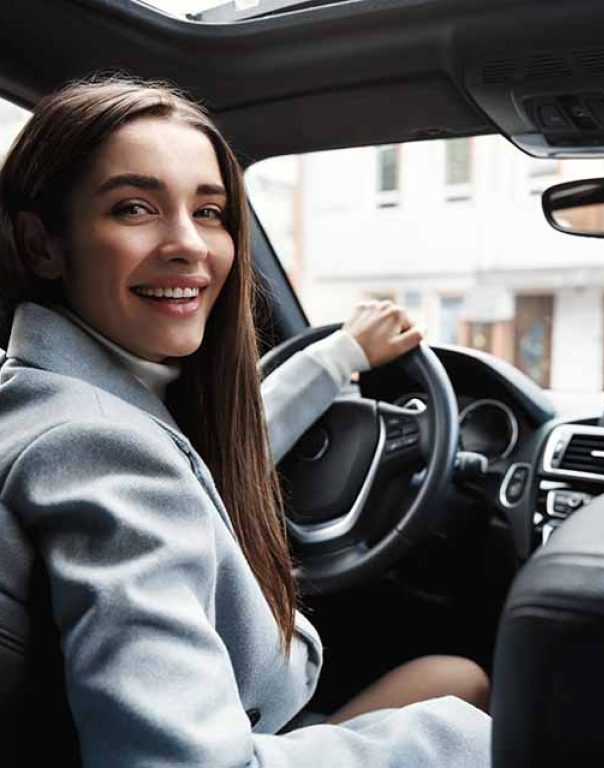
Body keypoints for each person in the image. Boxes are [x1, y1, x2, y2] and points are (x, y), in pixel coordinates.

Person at [0, 75, 491, 766]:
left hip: (244, 714)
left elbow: (221, 446)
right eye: (135, 208)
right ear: (42, 244)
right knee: (473, 711)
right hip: (242, 736)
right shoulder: (101, 448)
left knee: (454, 678)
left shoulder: (46, 396)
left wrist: (343, 355)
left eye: (209, 212)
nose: (189, 246)